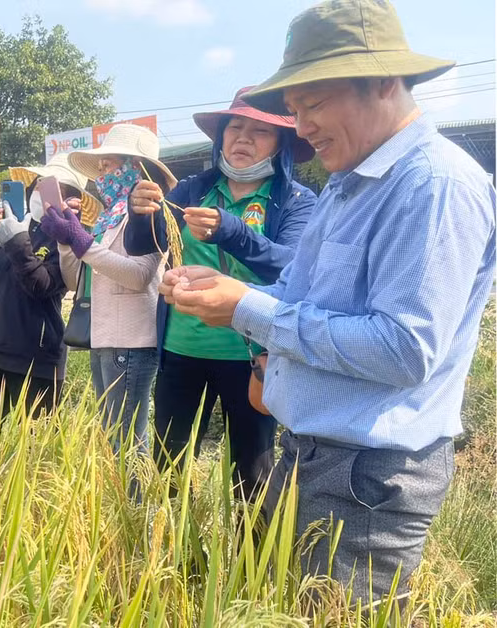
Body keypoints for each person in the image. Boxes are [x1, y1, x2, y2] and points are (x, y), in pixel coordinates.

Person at [160, 0, 495, 604]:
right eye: (293, 109)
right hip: (311, 452)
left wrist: (246, 309)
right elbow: (296, 294)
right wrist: (226, 295)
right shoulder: (348, 183)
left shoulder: (434, 186)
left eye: (312, 104)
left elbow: (403, 349)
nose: (301, 125)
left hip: (368, 476)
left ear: (384, 81)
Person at [127, 88, 317, 498]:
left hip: (249, 358)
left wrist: (231, 231)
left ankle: (249, 562)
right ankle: (173, 557)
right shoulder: (193, 190)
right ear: (221, 137)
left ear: (281, 142)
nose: (243, 138)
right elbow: (145, 245)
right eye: (235, 127)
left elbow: (291, 267)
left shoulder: (295, 202)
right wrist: (139, 212)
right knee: (167, 468)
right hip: (181, 351)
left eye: (260, 131)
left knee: (252, 475)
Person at [39, 125, 170, 464]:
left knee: (127, 442)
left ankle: (139, 512)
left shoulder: (150, 214)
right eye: (100, 168)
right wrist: (67, 238)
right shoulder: (109, 218)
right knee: (113, 437)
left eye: (109, 165)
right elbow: (73, 280)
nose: (102, 175)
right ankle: (124, 509)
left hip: (131, 342)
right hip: (103, 339)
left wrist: (82, 243)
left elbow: (140, 275)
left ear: (134, 168)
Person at [0, 154, 94, 427]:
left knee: (34, 450)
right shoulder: (13, 220)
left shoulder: (69, 239)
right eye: (37, 186)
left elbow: (43, 285)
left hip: (37, 358)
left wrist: (16, 241)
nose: (40, 194)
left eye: (53, 189)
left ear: (69, 199)